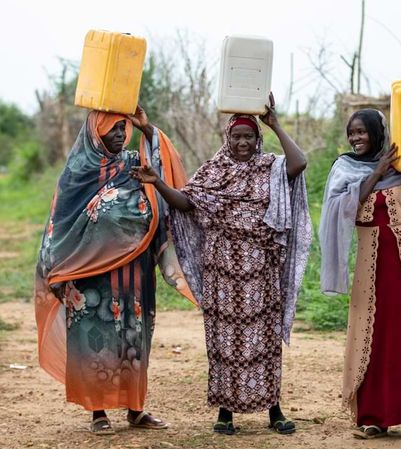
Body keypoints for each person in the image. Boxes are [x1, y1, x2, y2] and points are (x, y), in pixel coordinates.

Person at [131, 93, 311, 436]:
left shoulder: (270, 167)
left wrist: (274, 124)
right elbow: (186, 202)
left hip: (261, 268)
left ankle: (274, 410)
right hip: (222, 270)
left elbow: (299, 163)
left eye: (249, 137)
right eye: (237, 136)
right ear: (227, 138)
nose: (243, 143)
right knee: (224, 341)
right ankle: (225, 412)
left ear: (257, 139)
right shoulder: (213, 170)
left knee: (265, 339)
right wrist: (158, 183)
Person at [34, 105, 194, 435]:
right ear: (96, 132)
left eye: (124, 128)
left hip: (135, 273)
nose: (121, 134)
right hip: (91, 277)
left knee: (135, 339)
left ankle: (136, 409)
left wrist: (147, 128)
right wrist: (61, 264)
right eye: (113, 129)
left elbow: (166, 166)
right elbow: (61, 223)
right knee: (95, 341)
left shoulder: (134, 164)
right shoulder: (77, 172)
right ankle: (98, 412)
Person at [319, 108, 401, 440]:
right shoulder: (344, 169)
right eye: (352, 132)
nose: (356, 138)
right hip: (371, 265)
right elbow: (342, 210)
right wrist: (377, 173)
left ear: (377, 133)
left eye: (362, 131)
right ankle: (375, 416)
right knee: (375, 336)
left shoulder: (400, 166)